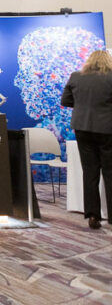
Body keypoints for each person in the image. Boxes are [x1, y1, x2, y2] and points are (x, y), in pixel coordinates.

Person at [60, 49, 112, 230]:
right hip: (107, 130)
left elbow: (65, 101)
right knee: (110, 172)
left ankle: (92, 216)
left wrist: (83, 105)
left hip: (83, 129)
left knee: (90, 173)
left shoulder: (76, 77)